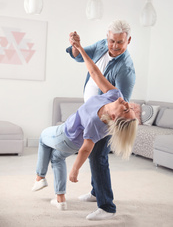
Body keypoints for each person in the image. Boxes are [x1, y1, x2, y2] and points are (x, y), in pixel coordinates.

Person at [32, 35, 138, 220]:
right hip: (70, 135)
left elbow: (86, 149)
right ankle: (60, 198)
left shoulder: (97, 123)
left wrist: (75, 169)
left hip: (66, 135)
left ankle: (40, 177)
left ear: (114, 117)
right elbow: (95, 73)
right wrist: (80, 49)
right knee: (56, 159)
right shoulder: (114, 95)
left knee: (43, 137)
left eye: (126, 109)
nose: (127, 103)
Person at [66, 20, 136, 220]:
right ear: (107, 37)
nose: (114, 45)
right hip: (96, 111)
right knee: (94, 156)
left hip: (106, 119)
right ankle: (96, 192)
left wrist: (74, 171)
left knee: (98, 157)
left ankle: (107, 206)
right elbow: (90, 68)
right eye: (112, 40)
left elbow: (123, 108)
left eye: (119, 42)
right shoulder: (102, 45)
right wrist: (76, 46)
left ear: (128, 41)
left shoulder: (125, 72)